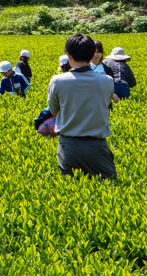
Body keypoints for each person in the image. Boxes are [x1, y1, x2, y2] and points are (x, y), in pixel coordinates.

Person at [48, 33, 116, 180]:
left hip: (68, 147)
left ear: (68, 55)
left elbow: (54, 111)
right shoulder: (107, 81)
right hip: (97, 147)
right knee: (109, 190)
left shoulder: (57, 81)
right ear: (92, 55)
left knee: (71, 194)